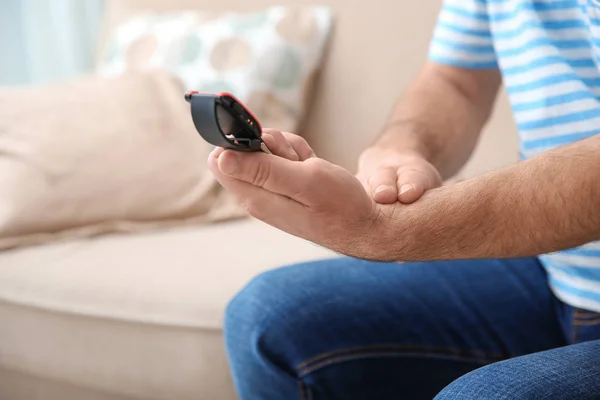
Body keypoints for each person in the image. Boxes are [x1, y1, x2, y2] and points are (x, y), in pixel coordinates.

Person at [208, 0, 600, 398]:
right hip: (558, 273)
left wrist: (392, 231)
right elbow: (456, 81)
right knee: (268, 320)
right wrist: (400, 149)